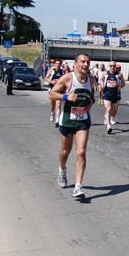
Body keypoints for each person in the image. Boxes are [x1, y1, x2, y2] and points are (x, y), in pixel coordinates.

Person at [49, 53, 95, 199]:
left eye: (87, 62)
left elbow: (92, 94)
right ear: (76, 64)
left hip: (83, 120)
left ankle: (78, 186)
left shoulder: (91, 79)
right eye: (82, 62)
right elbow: (52, 94)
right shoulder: (68, 78)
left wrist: (91, 101)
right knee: (65, 151)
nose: (85, 65)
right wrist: (65, 97)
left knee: (81, 152)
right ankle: (62, 170)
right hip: (68, 120)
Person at [101, 62, 125, 134]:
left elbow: (123, 84)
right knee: (108, 109)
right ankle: (108, 126)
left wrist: (118, 84)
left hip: (115, 94)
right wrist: (102, 85)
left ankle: (106, 116)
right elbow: (101, 79)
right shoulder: (106, 73)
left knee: (113, 110)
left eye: (114, 66)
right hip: (107, 93)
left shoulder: (119, 74)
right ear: (109, 66)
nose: (112, 67)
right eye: (111, 66)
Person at [45, 59, 65, 126]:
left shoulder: (63, 72)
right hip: (52, 89)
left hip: (59, 90)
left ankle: (57, 120)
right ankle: (52, 113)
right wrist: (51, 82)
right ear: (54, 64)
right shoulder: (51, 71)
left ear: (61, 64)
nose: (58, 65)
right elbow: (46, 78)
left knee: (58, 105)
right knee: (52, 104)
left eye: (59, 63)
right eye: (56, 63)